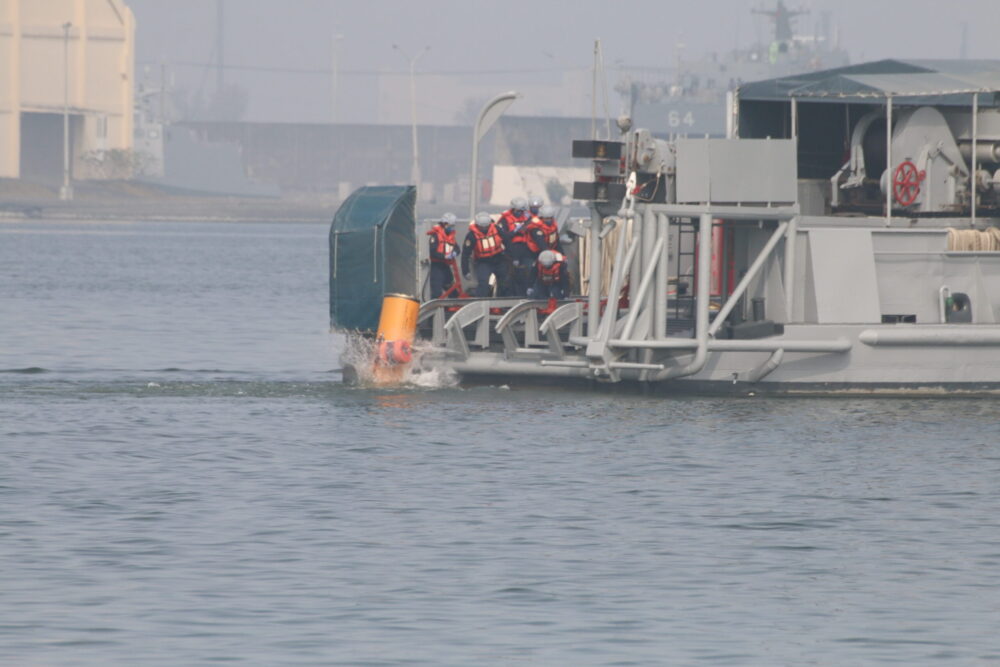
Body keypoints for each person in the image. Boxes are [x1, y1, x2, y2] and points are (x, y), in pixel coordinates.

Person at [462, 212, 506, 297]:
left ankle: (503, 303)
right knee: (483, 283)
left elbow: (507, 241)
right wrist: (465, 271)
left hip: (498, 259)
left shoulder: (496, 229)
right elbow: (465, 254)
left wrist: (513, 257)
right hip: (483, 262)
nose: (484, 229)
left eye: (486, 226)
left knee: (504, 281)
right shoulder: (471, 235)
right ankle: (481, 303)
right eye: (482, 227)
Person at [496, 197, 533, 296]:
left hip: (525, 249)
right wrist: (515, 231)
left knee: (527, 273)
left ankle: (526, 295)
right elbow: (504, 236)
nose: (519, 213)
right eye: (518, 211)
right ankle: (507, 297)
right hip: (511, 250)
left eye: (521, 211)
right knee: (509, 276)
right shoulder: (505, 219)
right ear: (513, 209)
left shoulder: (527, 217)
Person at [427, 212, 458, 298]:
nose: (452, 228)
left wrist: (455, 252)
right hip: (437, 266)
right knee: (437, 292)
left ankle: (453, 307)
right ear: (445, 224)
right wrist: (444, 256)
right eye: (451, 225)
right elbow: (433, 252)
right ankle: (435, 310)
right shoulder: (435, 236)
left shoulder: (450, 236)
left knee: (452, 290)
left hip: (446, 266)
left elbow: (457, 248)